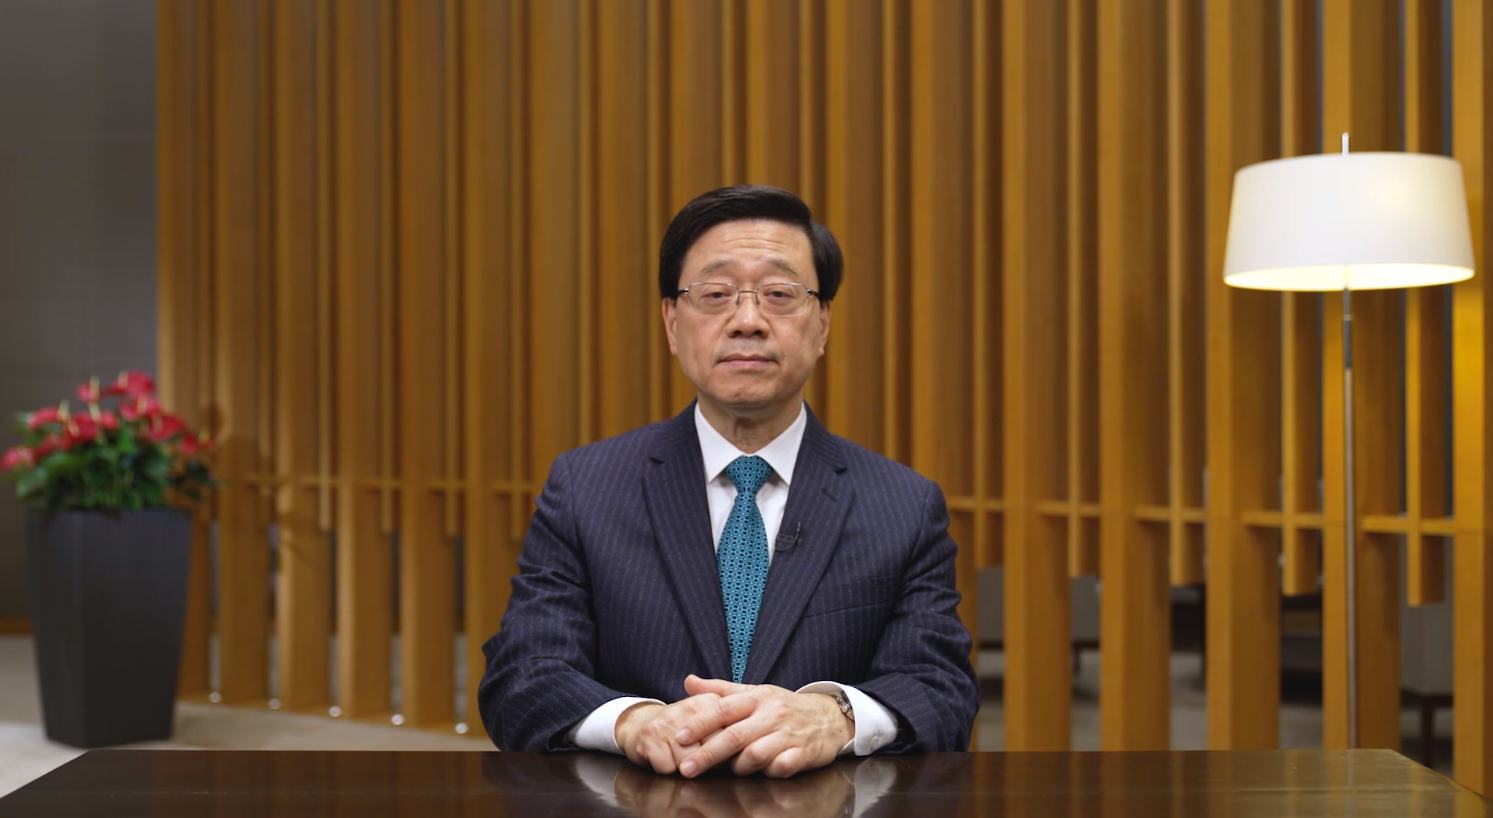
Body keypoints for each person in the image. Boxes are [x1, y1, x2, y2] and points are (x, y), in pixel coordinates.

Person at [479, 184, 978, 779]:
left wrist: (834, 715)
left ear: (822, 325)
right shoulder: (585, 487)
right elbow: (521, 676)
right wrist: (633, 721)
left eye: (779, 295)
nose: (747, 321)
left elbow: (941, 689)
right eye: (715, 295)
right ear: (671, 323)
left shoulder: (903, 505)